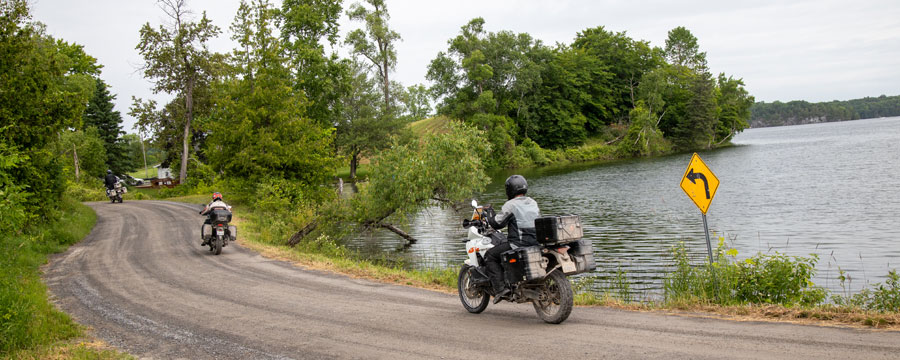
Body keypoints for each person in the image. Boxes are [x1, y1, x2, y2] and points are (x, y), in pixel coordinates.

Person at [483, 175, 541, 303]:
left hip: (518, 244)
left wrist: (490, 212)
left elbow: (497, 223)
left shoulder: (511, 205)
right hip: (536, 243)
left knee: (490, 256)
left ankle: (500, 290)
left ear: (509, 190)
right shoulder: (533, 202)